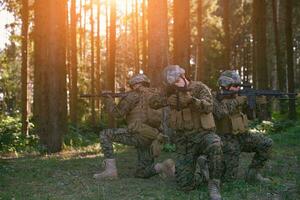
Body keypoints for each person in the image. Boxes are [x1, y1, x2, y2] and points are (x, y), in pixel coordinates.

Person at [149, 65, 222, 200]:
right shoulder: (169, 91)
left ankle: (214, 185)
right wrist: (166, 100)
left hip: (203, 134)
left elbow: (209, 106)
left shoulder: (199, 87)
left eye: (177, 81)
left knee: (215, 144)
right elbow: (152, 102)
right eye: (173, 84)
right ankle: (203, 172)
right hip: (184, 140)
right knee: (185, 186)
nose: (176, 85)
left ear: (183, 76)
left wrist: (192, 101)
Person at [93, 74, 175, 180]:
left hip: (138, 134)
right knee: (142, 172)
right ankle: (162, 167)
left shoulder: (134, 95)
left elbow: (117, 114)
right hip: (153, 136)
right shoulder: (156, 94)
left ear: (136, 84)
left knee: (105, 134)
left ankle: (110, 171)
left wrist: (108, 99)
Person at [213, 70, 273, 182]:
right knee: (229, 180)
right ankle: (206, 167)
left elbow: (251, 117)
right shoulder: (215, 98)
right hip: (225, 139)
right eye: (235, 86)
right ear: (225, 85)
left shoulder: (239, 97)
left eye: (238, 86)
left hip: (243, 136)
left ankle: (253, 175)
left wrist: (257, 104)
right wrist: (238, 101)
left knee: (266, 143)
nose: (237, 89)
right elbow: (221, 113)